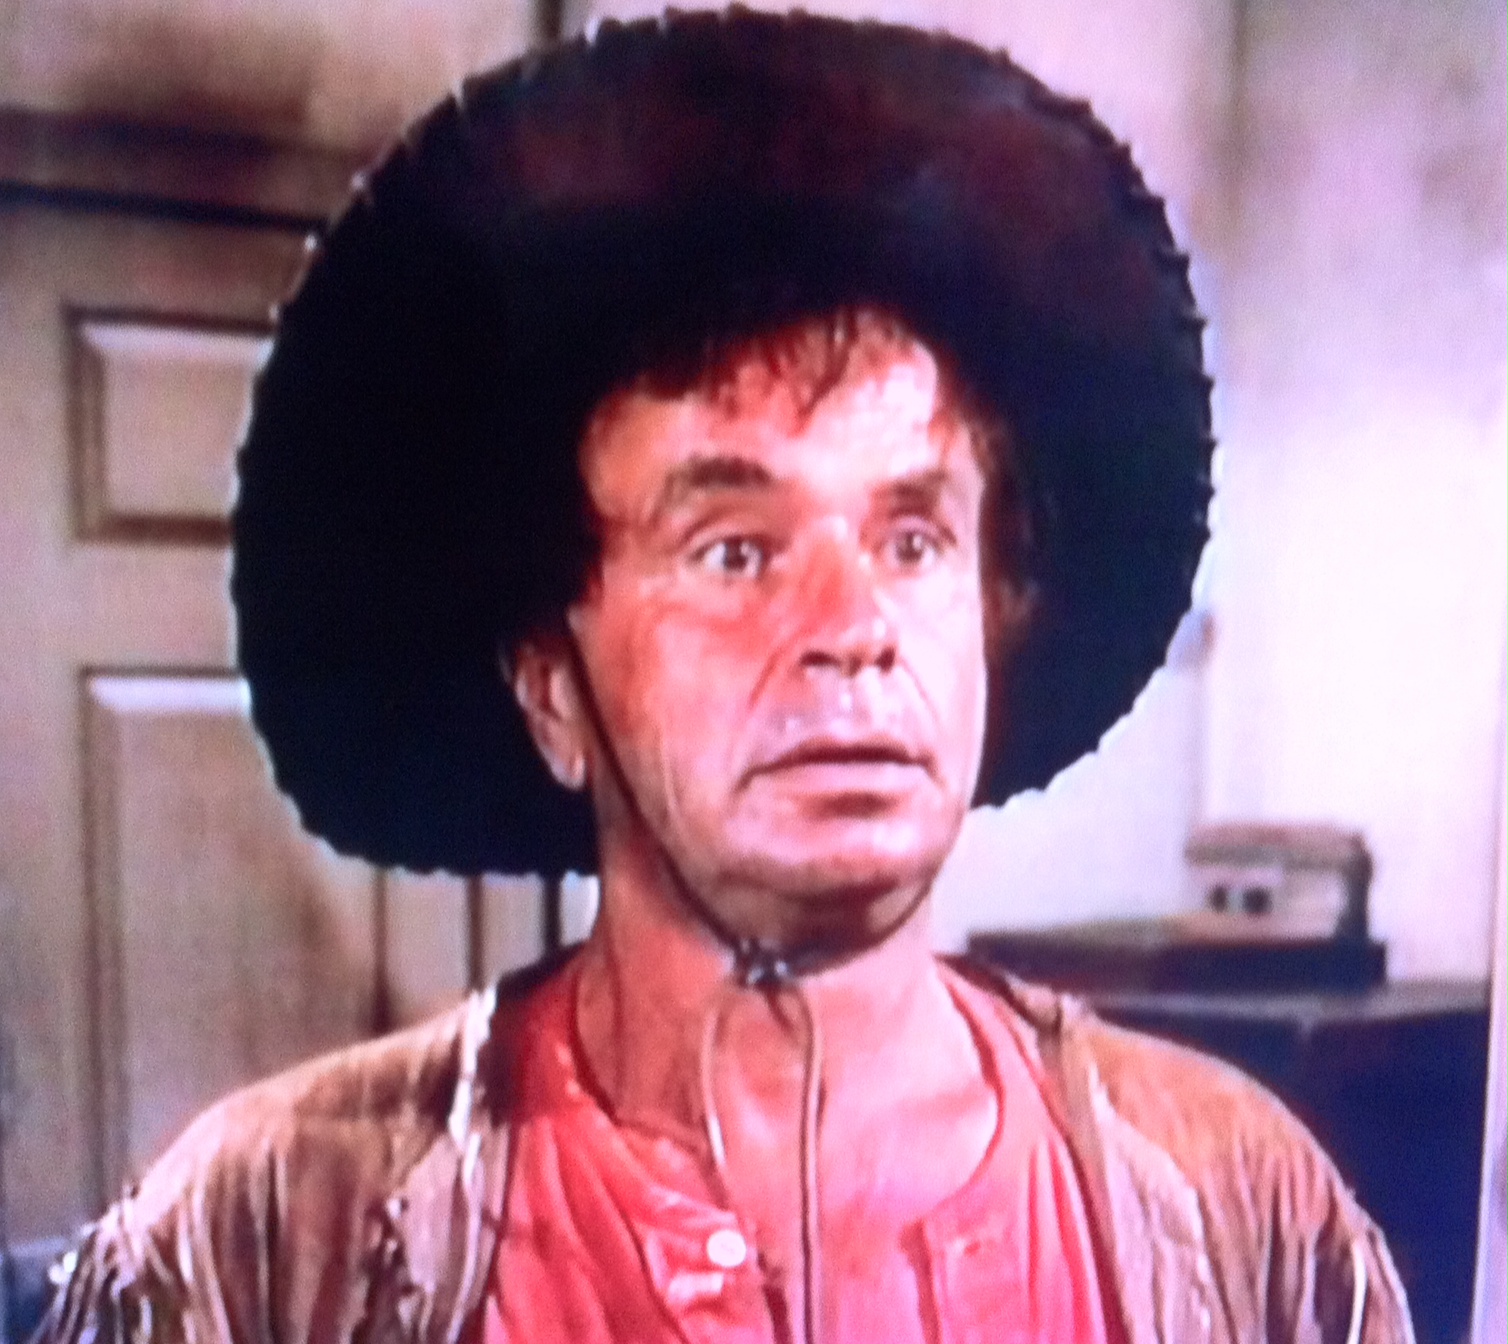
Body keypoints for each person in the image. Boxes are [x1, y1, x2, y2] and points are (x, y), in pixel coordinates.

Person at [37, 10, 1412, 1344]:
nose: (854, 626)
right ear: (552, 688)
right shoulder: (274, 1237)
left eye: (914, 538)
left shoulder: (1239, 1216)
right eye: (736, 551)